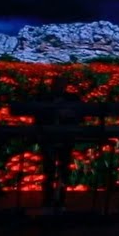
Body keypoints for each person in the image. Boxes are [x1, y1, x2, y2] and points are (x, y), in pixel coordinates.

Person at [32, 75, 84, 209]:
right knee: (49, 169)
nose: (58, 87)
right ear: (52, 85)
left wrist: (68, 115)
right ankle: (48, 199)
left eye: (61, 84)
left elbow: (81, 116)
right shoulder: (43, 98)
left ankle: (61, 198)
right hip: (48, 138)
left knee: (63, 169)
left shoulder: (73, 99)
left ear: (65, 86)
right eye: (56, 84)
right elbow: (37, 116)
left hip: (65, 138)